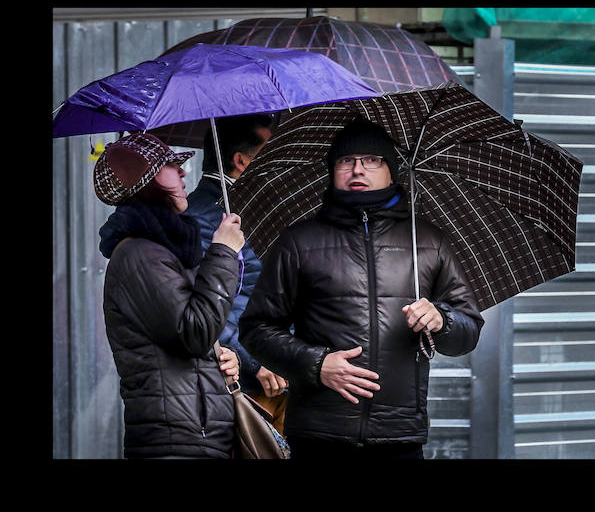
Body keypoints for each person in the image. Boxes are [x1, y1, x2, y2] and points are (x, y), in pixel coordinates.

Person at [239, 118, 485, 459]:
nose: (357, 169)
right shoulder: (298, 241)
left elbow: (468, 333)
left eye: (372, 160)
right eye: (345, 161)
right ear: (332, 170)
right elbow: (256, 330)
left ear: (392, 171)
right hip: (318, 434)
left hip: (399, 437)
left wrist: (443, 320)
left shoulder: (427, 241)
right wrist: (316, 364)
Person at [95, 132, 246, 458]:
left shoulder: (163, 251)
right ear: (144, 181)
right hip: (176, 441)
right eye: (170, 166)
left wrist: (221, 356)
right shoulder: (139, 255)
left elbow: (193, 334)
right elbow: (193, 332)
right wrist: (223, 251)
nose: (182, 173)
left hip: (198, 434)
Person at [184, 113, 289, 435]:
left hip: (274, 367)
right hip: (248, 381)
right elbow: (200, 303)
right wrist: (254, 362)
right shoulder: (205, 216)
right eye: (268, 151)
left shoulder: (246, 205)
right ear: (241, 160)